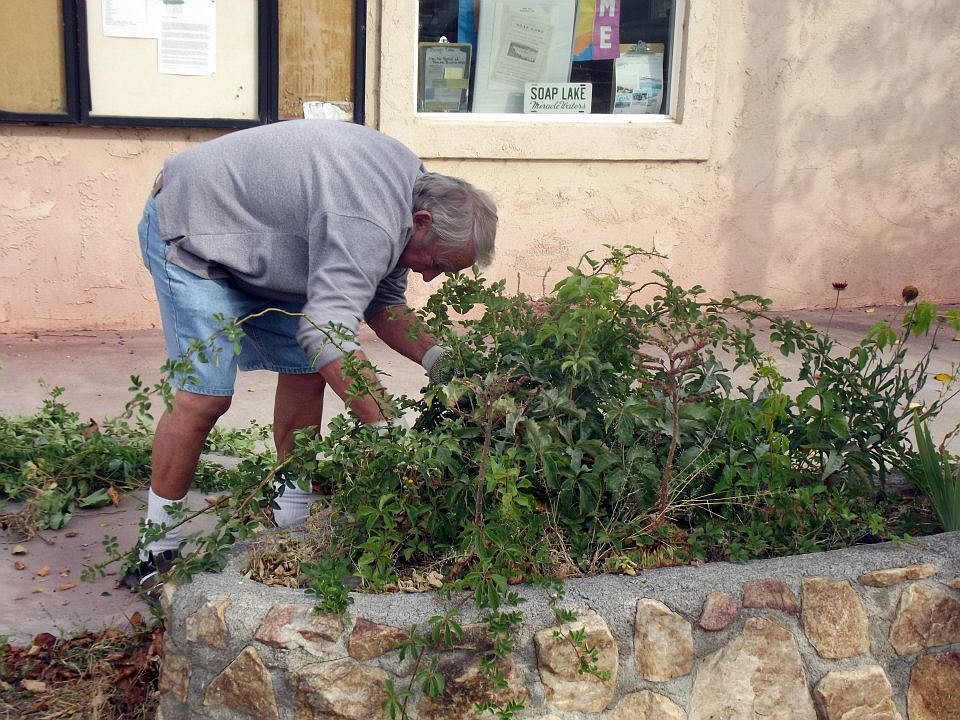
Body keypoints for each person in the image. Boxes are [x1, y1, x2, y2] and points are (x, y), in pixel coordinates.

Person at [124, 119, 497, 591]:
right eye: (438, 265)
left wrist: (449, 366)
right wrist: (391, 435)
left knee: (306, 374)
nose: (430, 278)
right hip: (198, 233)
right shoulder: (372, 220)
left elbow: (384, 306)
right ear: (421, 223)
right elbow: (326, 330)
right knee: (206, 397)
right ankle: (155, 548)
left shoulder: (407, 206)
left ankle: (290, 528)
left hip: (272, 247)